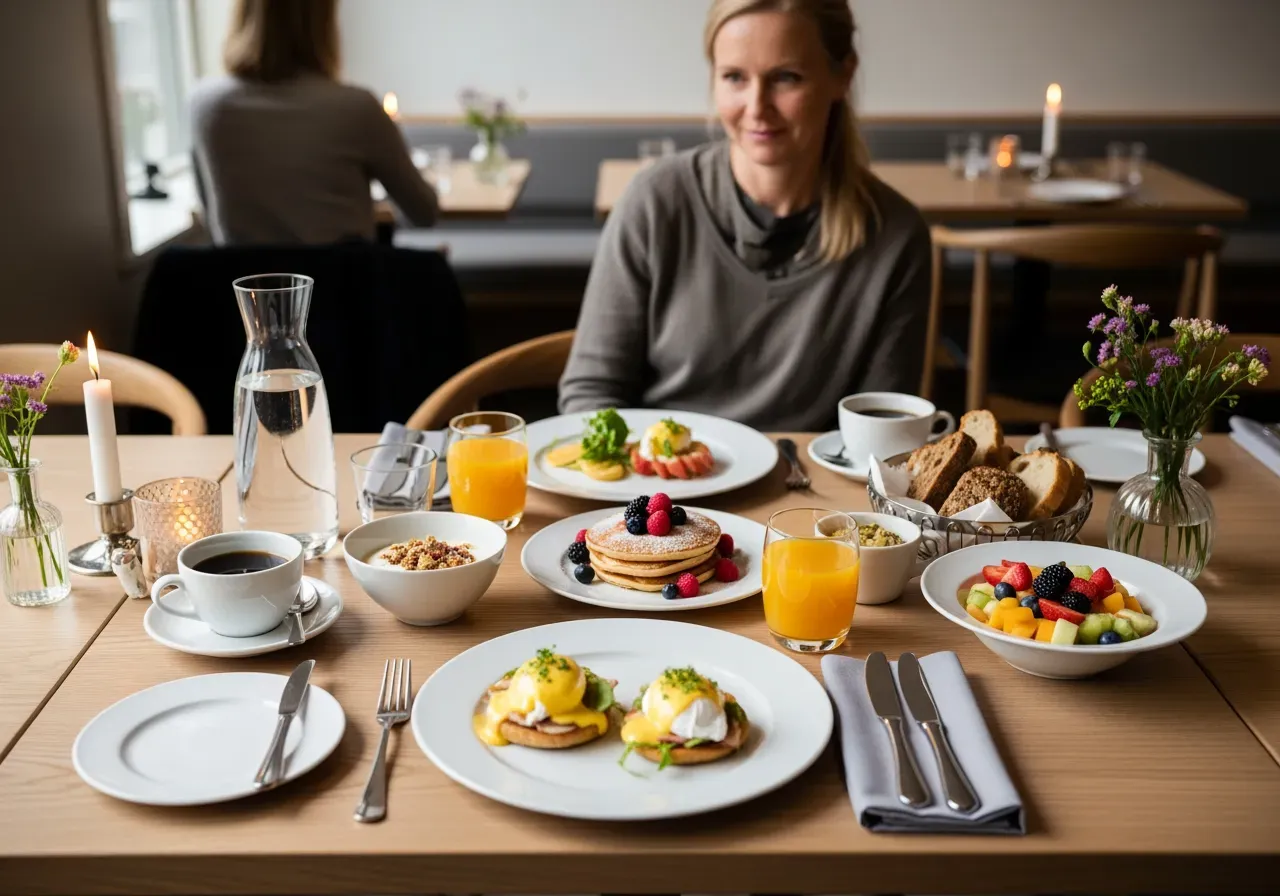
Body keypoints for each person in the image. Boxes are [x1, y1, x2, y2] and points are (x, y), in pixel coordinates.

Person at [559, 0, 931, 431]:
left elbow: (881, 435)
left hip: (808, 495)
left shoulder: (896, 236)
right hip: (662, 490)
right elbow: (591, 396)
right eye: (734, 77)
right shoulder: (654, 202)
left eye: (785, 78)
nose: (756, 106)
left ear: (841, 76)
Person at [189, 0, 438, 245]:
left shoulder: (204, 106)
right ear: (324, 21)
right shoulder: (356, 107)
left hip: (248, 284)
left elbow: (210, 217)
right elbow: (424, 213)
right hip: (345, 284)